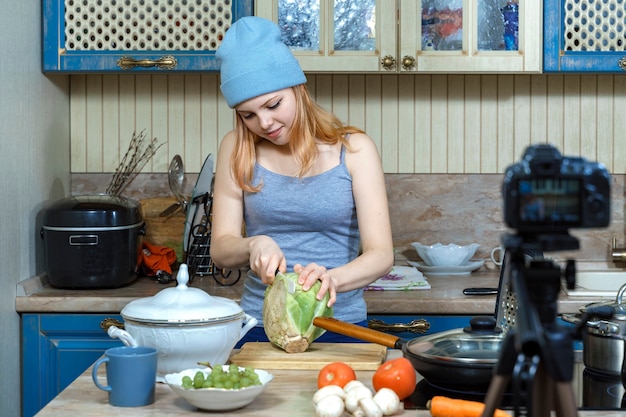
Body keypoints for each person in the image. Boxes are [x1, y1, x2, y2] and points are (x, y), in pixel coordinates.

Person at [210, 16, 394, 344]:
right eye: (248, 115)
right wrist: (254, 243)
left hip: (338, 325)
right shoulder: (236, 148)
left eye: (273, 104)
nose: (264, 123)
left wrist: (331, 279)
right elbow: (221, 249)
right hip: (259, 326)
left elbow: (381, 254)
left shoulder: (354, 149)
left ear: (298, 89)